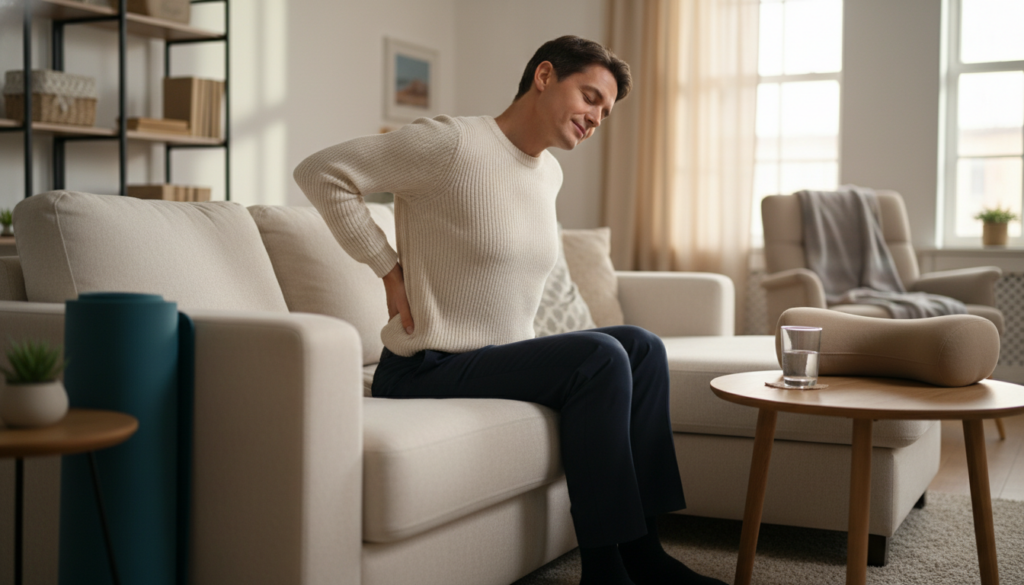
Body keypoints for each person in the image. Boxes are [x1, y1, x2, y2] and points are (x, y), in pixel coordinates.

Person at [294, 35, 726, 585]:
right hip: (427, 365)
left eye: (606, 111)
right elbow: (322, 171)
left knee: (641, 346)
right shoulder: (451, 143)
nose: (596, 118)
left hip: (498, 358)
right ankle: (603, 570)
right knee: (598, 355)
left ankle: (645, 552)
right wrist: (386, 266)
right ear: (544, 75)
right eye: (590, 97)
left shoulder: (549, 173)